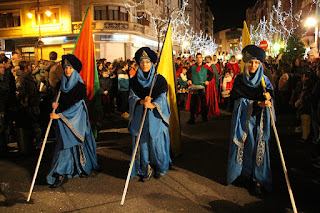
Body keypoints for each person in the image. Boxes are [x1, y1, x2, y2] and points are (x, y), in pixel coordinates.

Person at [227, 45, 274, 194]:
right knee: (245, 147)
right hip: (243, 122)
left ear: (260, 64)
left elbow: (271, 102)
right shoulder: (240, 79)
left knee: (258, 148)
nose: (253, 65)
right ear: (246, 63)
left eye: (256, 62)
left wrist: (268, 101)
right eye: (250, 62)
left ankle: (257, 178)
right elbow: (235, 100)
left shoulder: (265, 81)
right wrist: (256, 103)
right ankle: (244, 174)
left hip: (259, 121)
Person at [47, 54, 99, 188]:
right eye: (65, 68)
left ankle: (76, 169)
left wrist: (61, 116)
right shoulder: (60, 84)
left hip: (76, 120)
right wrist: (54, 104)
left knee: (75, 144)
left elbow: (79, 106)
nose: (67, 71)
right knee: (64, 146)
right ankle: (61, 172)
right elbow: (56, 99)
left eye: (70, 68)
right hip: (62, 120)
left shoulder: (79, 86)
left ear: (75, 70)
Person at [128, 47, 171, 182]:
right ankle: (144, 168)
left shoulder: (159, 80)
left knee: (156, 144)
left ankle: (160, 167)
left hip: (155, 116)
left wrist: (153, 104)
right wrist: (140, 101)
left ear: (152, 63)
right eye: (142, 62)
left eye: (147, 62)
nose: (144, 64)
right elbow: (131, 97)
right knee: (143, 144)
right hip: (140, 116)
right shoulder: (134, 80)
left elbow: (163, 97)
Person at [186, 53, 213, 124]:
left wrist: (208, 80)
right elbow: (188, 74)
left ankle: (204, 117)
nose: (198, 59)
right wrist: (189, 79)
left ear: (202, 58)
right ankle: (192, 118)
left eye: (200, 57)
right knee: (193, 104)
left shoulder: (206, 67)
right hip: (194, 87)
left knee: (203, 103)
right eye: (197, 57)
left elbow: (211, 74)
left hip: (202, 87)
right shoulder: (192, 67)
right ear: (195, 58)